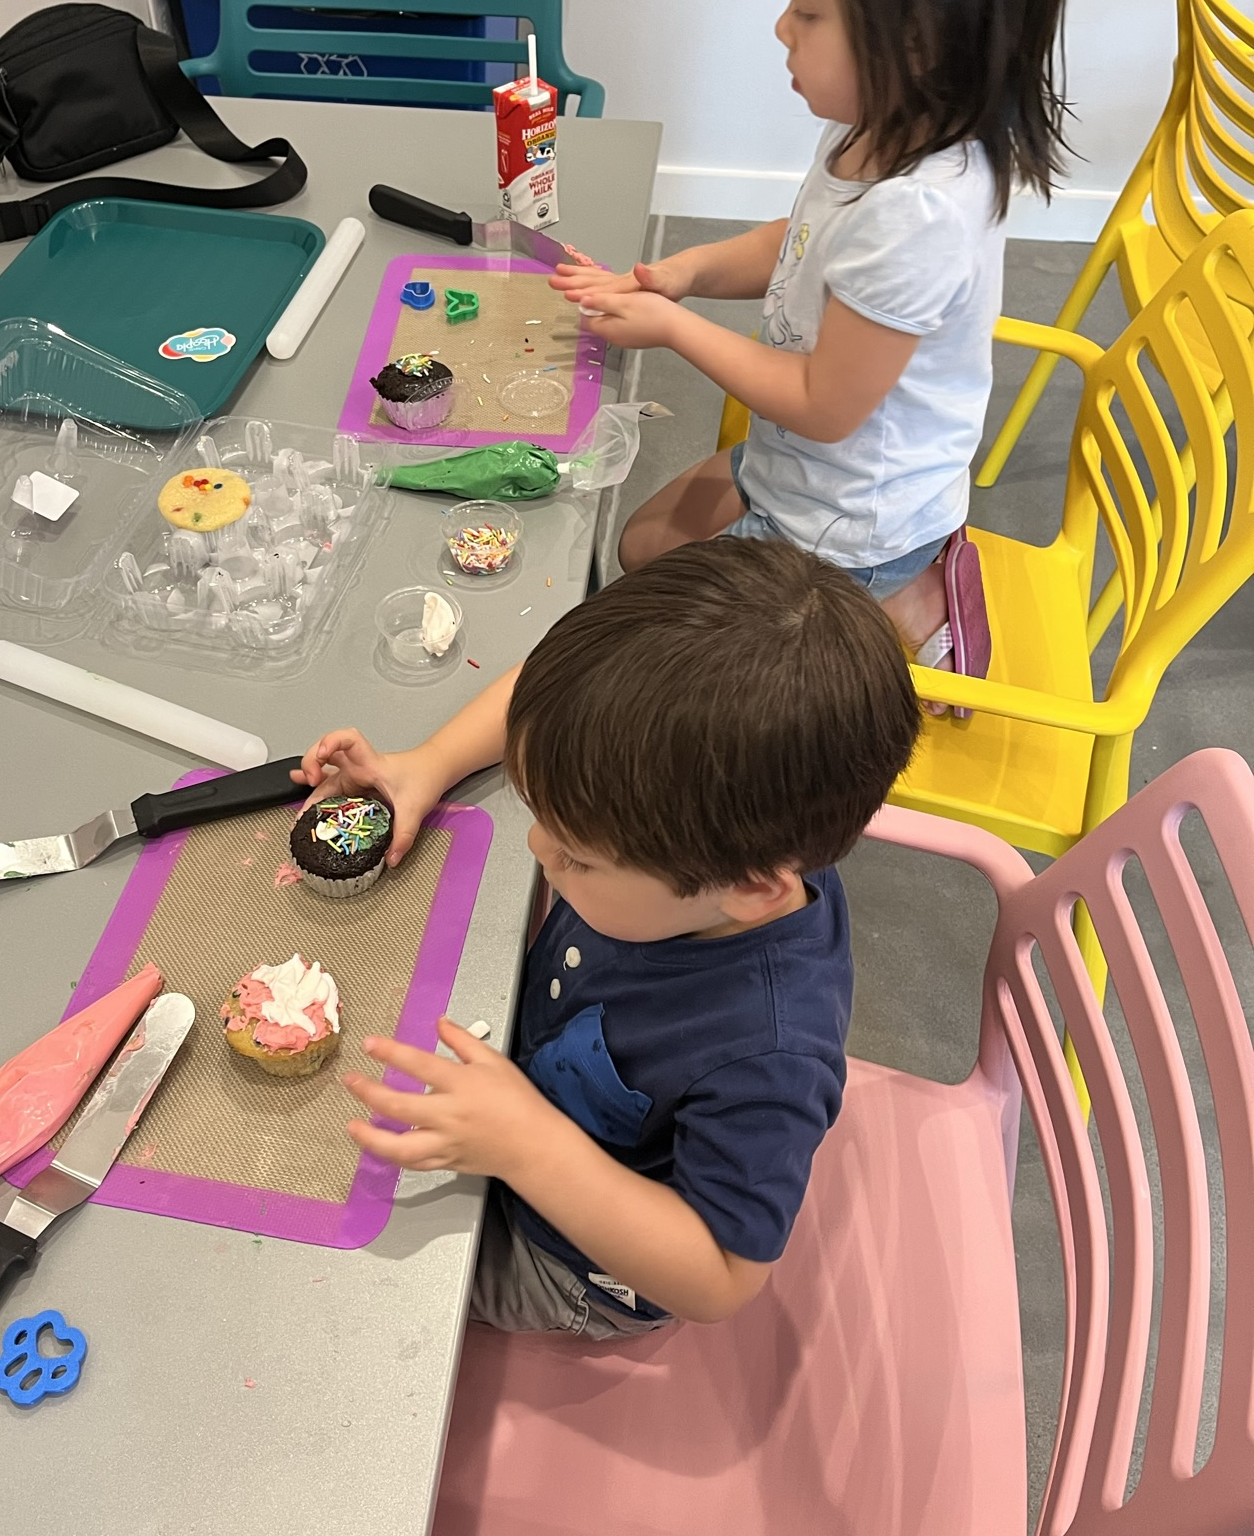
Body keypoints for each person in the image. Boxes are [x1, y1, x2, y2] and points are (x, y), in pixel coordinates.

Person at [291, 540, 923, 1336]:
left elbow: (721, 1279)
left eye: (577, 855)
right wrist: (432, 760)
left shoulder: (768, 1054)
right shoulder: (717, 843)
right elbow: (553, 698)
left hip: (574, 1260)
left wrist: (530, 1149)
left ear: (753, 885)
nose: (537, 851)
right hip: (534, 1098)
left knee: (328, 1276)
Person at [552, 0, 1069, 711]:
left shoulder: (918, 213)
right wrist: (689, 273)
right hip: (803, 470)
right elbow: (801, 239)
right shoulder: (870, 127)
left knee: (670, 698)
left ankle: (893, 599)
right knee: (642, 547)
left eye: (810, 14)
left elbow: (825, 407)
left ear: (915, 45)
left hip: (850, 518)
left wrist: (674, 327)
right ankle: (896, 586)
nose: (781, 29)